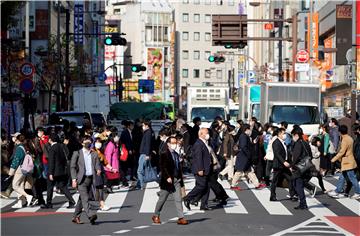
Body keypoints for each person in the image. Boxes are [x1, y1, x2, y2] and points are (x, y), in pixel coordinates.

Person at [152, 137, 188, 225]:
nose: (175, 144)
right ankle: (156, 215)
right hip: (167, 181)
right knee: (162, 199)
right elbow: (162, 167)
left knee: (178, 199)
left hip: (176, 180)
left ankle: (181, 217)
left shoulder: (176, 154)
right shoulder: (164, 154)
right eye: (172, 143)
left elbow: (178, 168)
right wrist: (167, 177)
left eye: (176, 142)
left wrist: (181, 181)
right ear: (168, 144)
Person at [70, 135, 101, 225]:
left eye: (89, 140)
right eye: (85, 141)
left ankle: (76, 217)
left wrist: (98, 169)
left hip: (91, 178)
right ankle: (91, 215)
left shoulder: (94, 153)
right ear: (82, 143)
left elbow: (97, 163)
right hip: (81, 179)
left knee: (82, 199)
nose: (87, 142)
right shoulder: (77, 153)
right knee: (85, 198)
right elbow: (72, 167)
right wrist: (74, 179)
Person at [41, 133, 75, 209]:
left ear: (50, 140)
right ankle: (72, 201)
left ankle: (49, 203)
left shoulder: (52, 148)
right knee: (63, 186)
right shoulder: (61, 146)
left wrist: (50, 173)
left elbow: (51, 162)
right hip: (62, 170)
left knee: (49, 186)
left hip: (54, 172)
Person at [328, 125, 360, 200]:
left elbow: (342, 152)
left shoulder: (345, 140)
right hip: (349, 161)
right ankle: (338, 190)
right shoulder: (350, 138)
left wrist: (334, 159)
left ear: (340, 132)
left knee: (352, 178)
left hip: (347, 162)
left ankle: (358, 192)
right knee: (342, 177)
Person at [230, 124, 266, 191]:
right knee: (239, 172)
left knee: (250, 171)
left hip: (245, 157)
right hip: (243, 157)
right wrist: (249, 154)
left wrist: (253, 143)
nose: (250, 131)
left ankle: (257, 184)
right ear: (246, 129)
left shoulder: (245, 136)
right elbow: (244, 147)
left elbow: (246, 145)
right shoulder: (243, 136)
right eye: (250, 129)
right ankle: (233, 185)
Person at [184, 128, 212, 211]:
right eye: (206, 133)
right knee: (201, 185)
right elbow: (198, 157)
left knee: (207, 186)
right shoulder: (198, 144)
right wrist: (200, 169)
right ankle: (188, 198)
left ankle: (204, 204)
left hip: (206, 168)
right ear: (201, 134)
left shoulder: (205, 143)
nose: (208, 135)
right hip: (200, 168)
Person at [270, 128, 296, 201]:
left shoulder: (283, 142)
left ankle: (292, 195)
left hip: (284, 165)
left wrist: (289, 164)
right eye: (283, 133)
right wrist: (283, 161)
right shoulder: (276, 142)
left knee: (290, 179)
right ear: (279, 134)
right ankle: (272, 196)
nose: (285, 135)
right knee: (275, 181)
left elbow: (286, 154)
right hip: (278, 165)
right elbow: (277, 154)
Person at [8, 134, 34, 208]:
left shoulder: (19, 148)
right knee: (20, 186)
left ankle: (28, 196)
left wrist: (11, 172)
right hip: (24, 169)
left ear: (17, 139)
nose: (12, 138)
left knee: (15, 185)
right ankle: (20, 202)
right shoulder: (23, 147)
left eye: (14, 137)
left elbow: (16, 160)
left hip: (19, 169)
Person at [290, 128, 312, 210]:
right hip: (306, 166)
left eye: (293, 135)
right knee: (299, 184)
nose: (293, 137)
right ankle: (303, 203)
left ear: (296, 135)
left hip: (298, 167)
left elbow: (295, 157)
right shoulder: (305, 143)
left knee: (297, 184)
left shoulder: (298, 144)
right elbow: (310, 155)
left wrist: (292, 166)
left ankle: (303, 203)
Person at [93, 138, 111, 211]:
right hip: (94, 173)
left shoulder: (101, 152)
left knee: (99, 189)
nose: (98, 143)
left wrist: (112, 169)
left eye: (99, 142)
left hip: (99, 173)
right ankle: (100, 205)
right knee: (95, 190)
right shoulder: (92, 151)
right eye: (97, 142)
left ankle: (101, 204)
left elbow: (105, 162)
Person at [136, 119, 153, 190]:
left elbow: (147, 144)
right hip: (143, 153)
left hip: (144, 153)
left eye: (143, 125)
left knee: (140, 171)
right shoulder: (147, 132)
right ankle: (139, 184)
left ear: (146, 125)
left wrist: (147, 154)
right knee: (141, 169)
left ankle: (141, 185)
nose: (142, 126)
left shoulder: (148, 132)